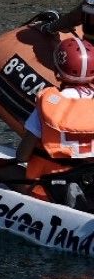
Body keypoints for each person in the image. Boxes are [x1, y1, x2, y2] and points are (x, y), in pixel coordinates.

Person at [17, 36, 94, 209]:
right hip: (89, 180)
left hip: (48, 187)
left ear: (57, 72)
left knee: (0, 171)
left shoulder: (49, 106)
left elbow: (22, 155)